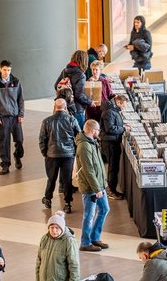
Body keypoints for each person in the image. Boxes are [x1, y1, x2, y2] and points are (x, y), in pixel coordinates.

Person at [39, 98, 81, 213]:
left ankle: (48, 199)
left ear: (54, 107)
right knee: (67, 179)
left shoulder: (47, 121)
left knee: (51, 178)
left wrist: (45, 153)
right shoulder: (72, 120)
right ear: (66, 107)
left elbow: (42, 139)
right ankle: (67, 203)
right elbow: (79, 136)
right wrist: (75, 151)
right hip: (68, 155)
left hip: (51, 155)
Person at [75, 120, 111, 252]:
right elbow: (88, 170)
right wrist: (97, 189)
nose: (99, 132)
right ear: (91, 130)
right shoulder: (84, 146)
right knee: (89, 215)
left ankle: (94, 237)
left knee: (104, 209)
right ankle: (85, 242)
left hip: (98, 185)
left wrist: (102, 184)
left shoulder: (92, 143)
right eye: (97, 130)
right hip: (91, 188)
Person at [0, 60, 25, 174]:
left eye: (9, 70)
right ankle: (5, 165)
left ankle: (17, 156)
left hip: (15, 117)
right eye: (4, 70)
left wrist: (21, 114)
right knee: (4, 142)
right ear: (0, 69)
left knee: (19, 140)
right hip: (2, 118)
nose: (7, 72)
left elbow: (21, 99)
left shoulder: (16, 82)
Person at [36, 212, 80, 281]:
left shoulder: (69, 241)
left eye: (57, 228)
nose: (54, 230)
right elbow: (39, 260)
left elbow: (74, 266)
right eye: (52, 227)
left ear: (62, 228)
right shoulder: (45, 238)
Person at [99, 93, 128, 200]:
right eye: (123, 105)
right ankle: (112, 191)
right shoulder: (109, 112)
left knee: (113, 167)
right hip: (110, 143)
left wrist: (122, 125)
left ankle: (112, 189)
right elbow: (110, 129)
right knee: (112, 167)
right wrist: (123, 129)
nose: (123, 108)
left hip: (113, 141)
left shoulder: (112, 109)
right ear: (118, 102)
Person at [55, 50, 93, 128]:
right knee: (78, 134)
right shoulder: (81, 75)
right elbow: (79, 95)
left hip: (64, 107)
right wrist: (90, 102)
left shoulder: (65, 70)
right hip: (77, 109)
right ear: (84, 60)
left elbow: (56, 85)